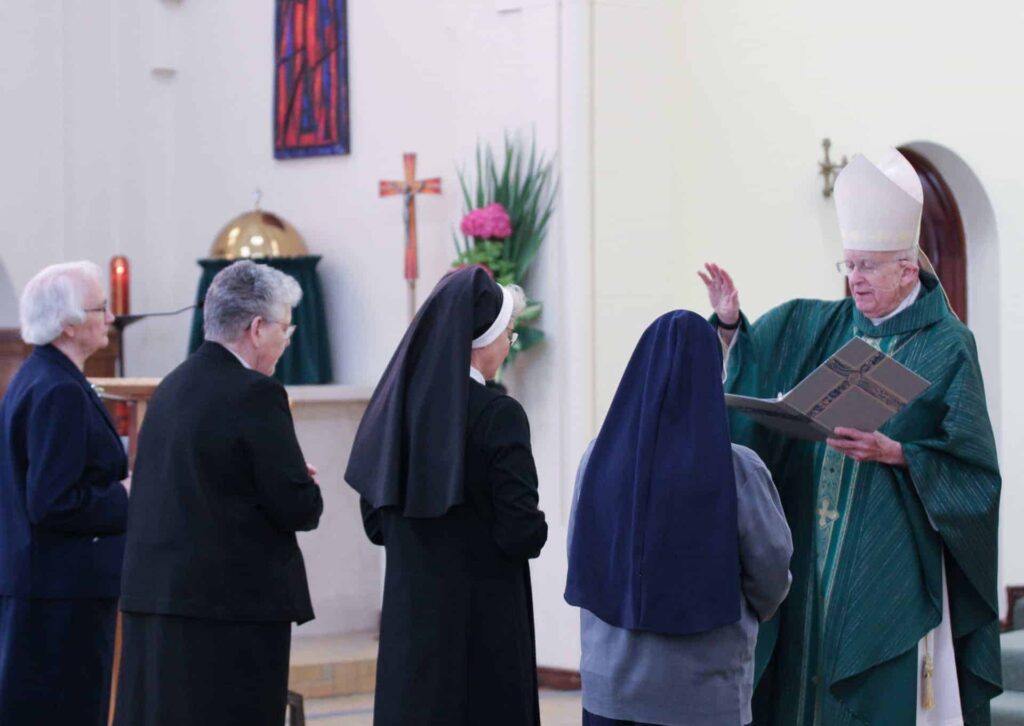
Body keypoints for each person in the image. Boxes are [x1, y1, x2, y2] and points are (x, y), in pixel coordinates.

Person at [699, 149, 1001, 724]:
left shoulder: (947, 345)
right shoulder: (827, 326)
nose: (854, 279)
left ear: (907, 270)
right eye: (849, 266)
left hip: (887, 567)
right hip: (810, 553)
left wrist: (900, 453)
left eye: (867, 267)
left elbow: (975, 472)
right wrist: (734, 325)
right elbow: (761, 358)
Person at [114, 260, 323, 726]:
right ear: (256, 328)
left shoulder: (170, 387)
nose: (286, 342)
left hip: (158, 603)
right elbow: (298, 508)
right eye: (284, 329)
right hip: (229, 615)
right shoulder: (257, 393)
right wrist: (303, 483)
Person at [564, 310, 793, 726]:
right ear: (711, 379)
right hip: (703, 691)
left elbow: (582, 553)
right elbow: (772, 571)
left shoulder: (595, 458)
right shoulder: (738, 468)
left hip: (609, 688)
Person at [346, 265, 548, 726]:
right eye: (509, 335)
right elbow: (521, 532)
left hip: (409, 624)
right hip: (482, 627)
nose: (508, 346)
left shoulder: (395, 409)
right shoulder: (499, 415)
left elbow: (376, 524)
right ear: (483, 342)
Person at [0, 261, 129, 725]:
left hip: (47, 585)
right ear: (69, 324)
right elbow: (53, 501)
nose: (109, 318)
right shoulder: (58, 390)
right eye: (100, 308)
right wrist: (126, 494)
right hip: (61, 595)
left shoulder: (41, 375)